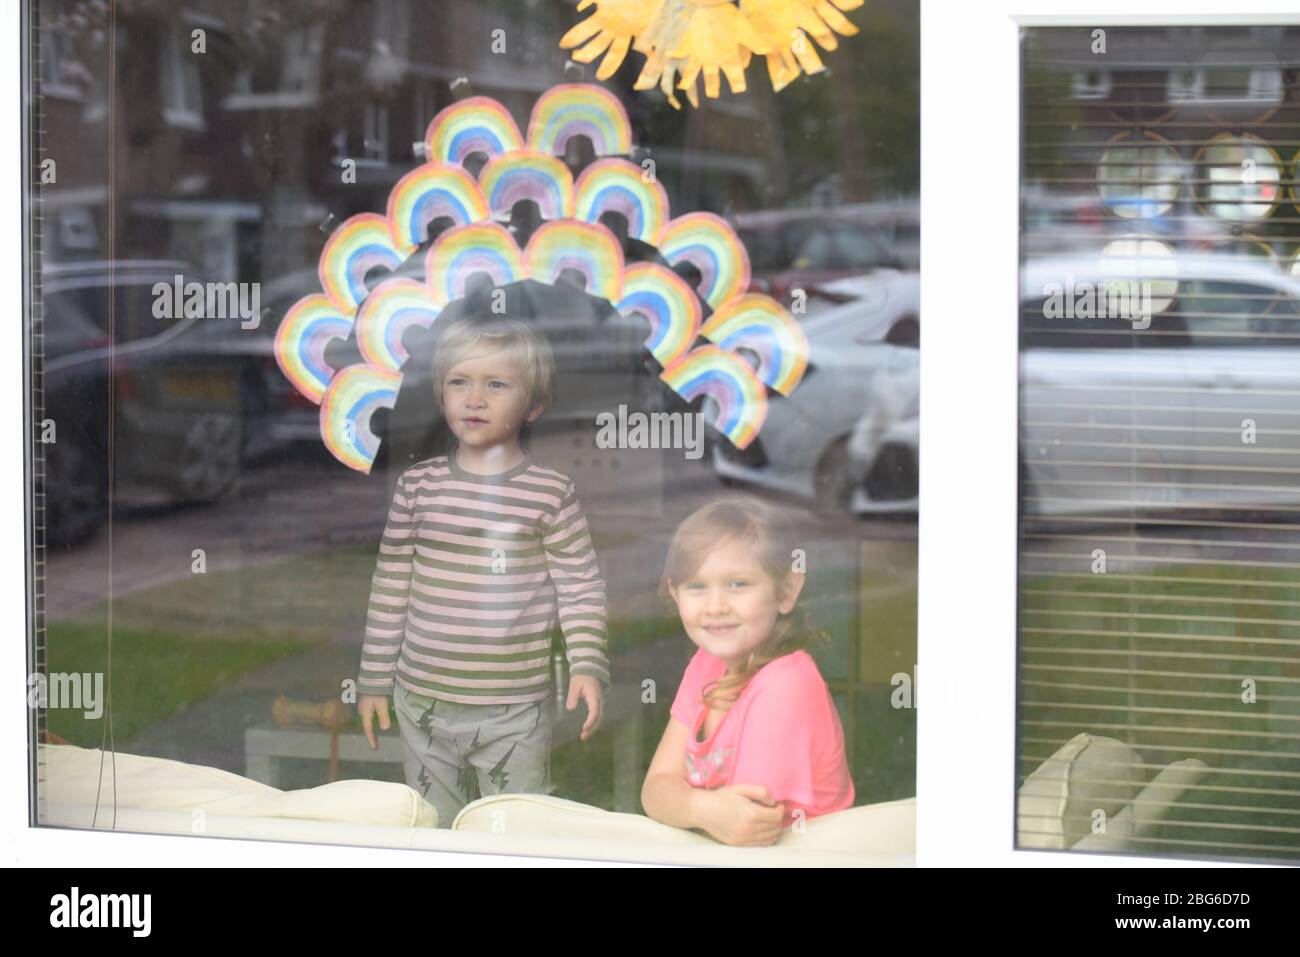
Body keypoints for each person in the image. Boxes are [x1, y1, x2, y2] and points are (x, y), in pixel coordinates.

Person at [355, 315, 610, 827]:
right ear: (441, 394)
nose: (475, 399)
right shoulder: (417, 488)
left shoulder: (549, 493)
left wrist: (586, 663)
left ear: (534, 404)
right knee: (429, 825)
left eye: (496, 384)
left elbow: (579, 586)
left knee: (514, 828)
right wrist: (374, 680)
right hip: (422, 699)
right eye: (459, 382)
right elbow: (390, 589)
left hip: (514, 708)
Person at [642, 497, 853, 846]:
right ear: (675, 595)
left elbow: (747, 829)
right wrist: (702, 808)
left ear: (786, 591)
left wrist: (689, 805)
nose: (716, 607)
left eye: (738, 584)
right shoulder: (705, 664)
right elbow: (655, 789)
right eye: (697, 587)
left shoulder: (786, 684)